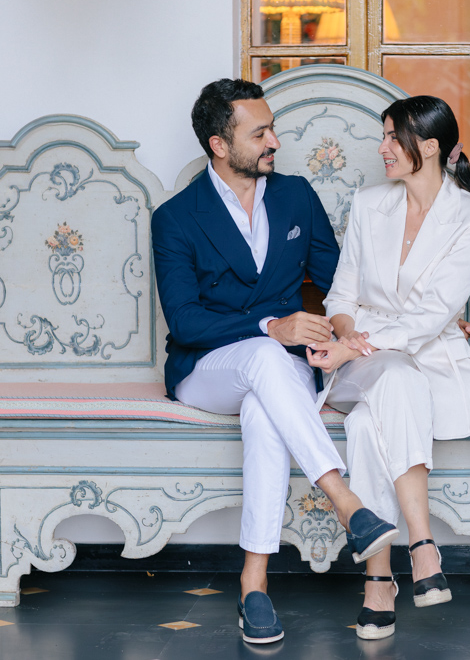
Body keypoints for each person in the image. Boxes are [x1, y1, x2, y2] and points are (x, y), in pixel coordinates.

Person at [150, 78, 401, 645]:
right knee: (264, 352)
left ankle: (254, 587)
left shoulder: (294, 195)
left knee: (265, 413)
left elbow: (341, 281)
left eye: (272, 128)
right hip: (205, 369)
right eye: (259, 132)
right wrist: (271, 325)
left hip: (280, 369)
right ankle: (348, 503)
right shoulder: (175, 218)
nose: (275, 141)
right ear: (219, 144)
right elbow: (185, 322)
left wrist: (416, 319)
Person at [306, 96, 470, 640]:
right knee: (392, 375)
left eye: (394, 137)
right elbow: (341, 295)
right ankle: (422, 542)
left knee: (372, 420)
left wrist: (350, 348)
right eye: (384, 135)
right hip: (364, 362)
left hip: (427, 362)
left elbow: (429, 317)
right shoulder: (370, 204)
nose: (383, 147)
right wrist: (349, 338)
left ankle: (379, 579)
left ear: (431, 147)